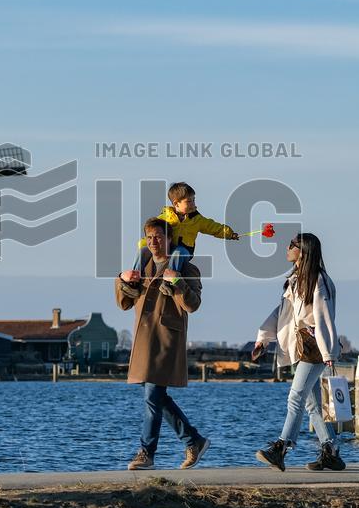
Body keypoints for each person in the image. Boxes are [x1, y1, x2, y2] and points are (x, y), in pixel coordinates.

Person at [117, 216, 210, 470]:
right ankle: (194, 441)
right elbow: (124, 303)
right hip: (144, 340)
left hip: (167, 340)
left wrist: (177, 283)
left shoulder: (187, 269)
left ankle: (146, 453)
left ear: (170, 239)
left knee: (152, 396)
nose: (153, 241)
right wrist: (123, 280)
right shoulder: (142, 263)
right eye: (149, 237)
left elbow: (193, 304)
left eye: (158, 236)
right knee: (156, 397)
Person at [252, 232, 345, 472]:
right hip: (303, 346)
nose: (286, 247)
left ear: (302, 252)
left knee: (295, 396)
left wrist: (328, 354)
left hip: (315, 348)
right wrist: (263, 338)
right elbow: (282, 312)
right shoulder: (296, 279)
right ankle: (330, 451)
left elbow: (324, 317)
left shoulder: (318, 281)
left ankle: (280, 448)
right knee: (311, 404)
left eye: (291, 245)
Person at [134, 181, 239, 287]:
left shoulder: (196, 219)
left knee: (178, 253)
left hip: (184, 250)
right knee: (143, 251)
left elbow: (212, 227)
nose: (193, 204)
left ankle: (168, 281)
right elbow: (151, 232)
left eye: (193, 200)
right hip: (164, 249)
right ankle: (134, 279)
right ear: (176, 204)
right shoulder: (164, 218)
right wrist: (143, 244)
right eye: (189, 201)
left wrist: (229, 234)